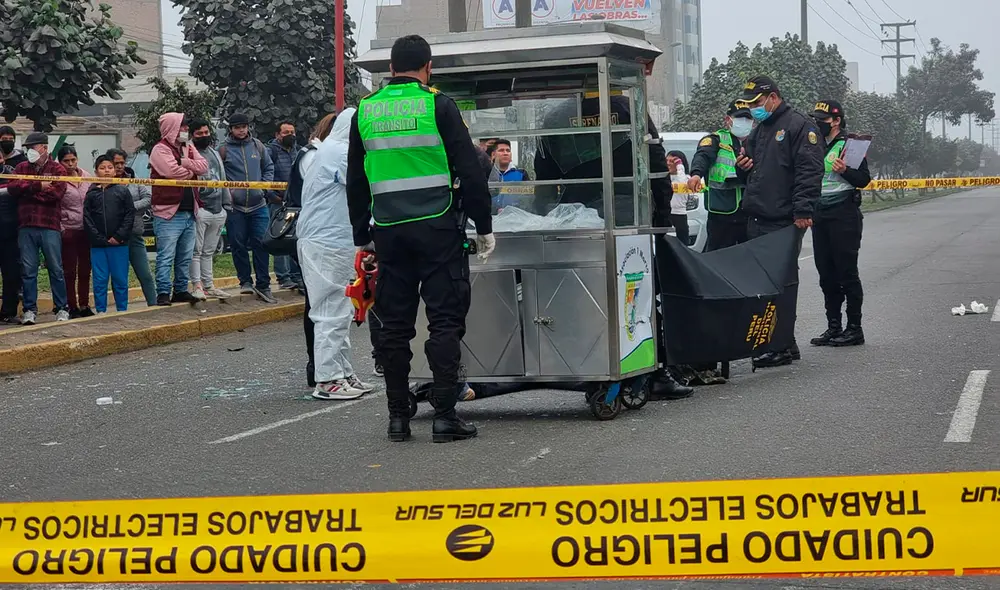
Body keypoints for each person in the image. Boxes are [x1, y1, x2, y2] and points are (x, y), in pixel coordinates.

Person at [347, 34, 496, 443]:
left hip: (389, 232)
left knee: (395, 326)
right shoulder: (437, 104)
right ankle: (445, 417)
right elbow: (470, 169)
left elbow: (356, 181)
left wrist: (364, 236)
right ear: (427, 67)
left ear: (391, 68)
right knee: (445, 321)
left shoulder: (366, 111)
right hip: (437, 228)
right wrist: (483, 228)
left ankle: (398, 418)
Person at [736, 75, 825, 368]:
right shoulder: (761, 130)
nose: (754, 109)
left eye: (758, 103)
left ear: (773, 97)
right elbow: (752, 170)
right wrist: (742, 167)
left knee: (783, 283)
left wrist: (803, 211)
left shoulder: (800, 126)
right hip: (758, 215)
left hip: (784, 218)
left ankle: (782, 345)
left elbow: (809, 171)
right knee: (764, 284)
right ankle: (779, 341)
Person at [295, 108, 376, 400]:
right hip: (327, 243)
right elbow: (368, 185)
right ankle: (328, 379)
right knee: (330, 311)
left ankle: (342, 372)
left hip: (329, 240)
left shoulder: (332, 149)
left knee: (341, 309)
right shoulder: (341, 153)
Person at [808, 99, 869, 347]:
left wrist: (845, 170)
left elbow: (863, 179)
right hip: (820, 214)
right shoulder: (814, 145)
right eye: (815, 119)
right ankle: (834, 327)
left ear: (836, 121)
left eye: (822, 120)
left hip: (843, 213)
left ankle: (854, 328)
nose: (817, 124)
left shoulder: (849, 145)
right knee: (826, 274)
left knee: (847, 273)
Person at [288, 113, 337, 387]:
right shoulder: (313, 155)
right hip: (314, 234)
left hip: (321, 233)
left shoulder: (319, 153)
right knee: (317, 302)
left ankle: (322, 365)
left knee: (322, 301)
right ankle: (316, 364)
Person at [6, 132, 69, 325]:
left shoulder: (58, 169)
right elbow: (13, 188)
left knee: (56, 269)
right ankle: (29, 310)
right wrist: (38, 186)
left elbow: (56, 194)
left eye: (33, 147)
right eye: (28, 148)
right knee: (28, 270)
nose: (29, 151)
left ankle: (61, 308)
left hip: (49, 225)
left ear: (44, 147)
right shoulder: (21, 167)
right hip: (26, 226)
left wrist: (30, 191)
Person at [149, 112, 209, 306]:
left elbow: (204, 166)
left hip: (189, 211)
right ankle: (164, 293)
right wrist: (191, 170)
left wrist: (184, 163)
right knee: (166, 256)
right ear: (172, 128)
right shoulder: (160, 149)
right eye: (182, 126)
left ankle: (181, 290)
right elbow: (171, 172)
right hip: (168, 213)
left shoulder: (188, 147)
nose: (185, 130)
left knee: (185, 256)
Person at [220, 113, 277, 303]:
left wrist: (263, 187)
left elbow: (268, 168)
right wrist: (229, 193)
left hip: (259, 205)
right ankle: (244, 281)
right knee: (237, 244)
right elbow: (220, 177)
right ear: (231, 129)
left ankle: (264, 284)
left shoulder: (258, 146)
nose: (241, 130)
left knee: (262, 243)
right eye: (237, 127)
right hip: (235, 208)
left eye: (244, 126)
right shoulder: (224, 150)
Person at [688, 100, 753, 251]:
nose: (743, 123)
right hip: (722, 213)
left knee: (749, 259)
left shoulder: (757, 141)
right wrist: (696, 174)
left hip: (749, 213)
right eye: (739, 118)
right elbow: (702, 157)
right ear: (728, 120)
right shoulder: (715, 140)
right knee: (720, 258)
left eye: (747, 119)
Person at [189, 118, 233, 300]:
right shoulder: (189, 154)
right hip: (201, 209)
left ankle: (209, 285)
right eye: (199, 134)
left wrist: (226, 204)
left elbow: (222, 178)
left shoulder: (214, 153)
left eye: (206, 132)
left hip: (218, 209)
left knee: (209, 251)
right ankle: (197, 286)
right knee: (196, 251)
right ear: (192, 135)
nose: (204, 136)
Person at [83, 155, 134, 314]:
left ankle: (122, 310)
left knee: (120, 279)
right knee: (100, 280)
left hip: (119, 245)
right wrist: (98, 238)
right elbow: (87, 218)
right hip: (98, 246)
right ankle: (101, 311)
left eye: (109, 168)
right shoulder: (91, 193)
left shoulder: (123, 191)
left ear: (115, 171)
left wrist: (118, 236)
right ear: (96, 171)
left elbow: (129, 215)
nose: (106, 171)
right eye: (102, 168)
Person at [107, 148, 157, 306]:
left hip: (135, 234)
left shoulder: (134, 180)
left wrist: (129, 207)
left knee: (145, 274)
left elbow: (149, 198)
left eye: (122, 163)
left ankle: (154, 304)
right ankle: (122, 308)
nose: (120, 166)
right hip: (115, 236)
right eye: (116, 163)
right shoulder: (104, 183)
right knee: (119, 277)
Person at [56, 145, 94, 318]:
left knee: (85, 269)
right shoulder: (58, 179)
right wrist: (62, 228)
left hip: (86, 229)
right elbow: (55, 205)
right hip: (68, 230)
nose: (70, 164)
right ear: (60, 162)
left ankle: (85, 304)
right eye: (66, 161)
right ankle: (72, 306)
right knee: (69, 271)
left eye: (73, 160)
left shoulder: (86, 176)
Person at [267, 121, 304, 291]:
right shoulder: (271, 151)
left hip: (295, 203)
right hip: (278, 202)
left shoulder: (299, 151)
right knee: (280, 239)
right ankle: (283, 277)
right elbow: (266, 175)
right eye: (285, 132)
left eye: (292, 131)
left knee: (295, 239)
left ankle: (297, 275)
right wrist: (273, 196)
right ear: (277, 135)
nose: (290, 135)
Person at [0, 146, 21, 323]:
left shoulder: (12, 175)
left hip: (11, 234)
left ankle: (8, 312)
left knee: (11, 274)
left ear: (2, 159)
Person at [666, 150, 691, 245]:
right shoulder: (664, 178)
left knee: (682, 247)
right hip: (665, 215)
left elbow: (682, 185)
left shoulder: (687, 178)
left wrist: (679, 167)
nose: (668, 163)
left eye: (672, 161)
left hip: (679, 216)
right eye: (666, 161)